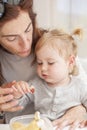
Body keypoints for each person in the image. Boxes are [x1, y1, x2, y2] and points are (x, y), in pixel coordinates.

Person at [0, 0, 86, 129]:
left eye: (28, 30)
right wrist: (15, 94)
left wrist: (82, 109)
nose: (25, 44)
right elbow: (20, 100)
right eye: (11, 38)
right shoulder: (36, 84)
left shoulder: (54, 44)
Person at [12, 29, 87, 130]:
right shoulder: (36, 85)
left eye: (51, 63)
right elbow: (18, 105)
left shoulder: (79, 86)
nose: (43, 68)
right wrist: (18, 93)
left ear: (70, 62)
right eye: (39, 63)